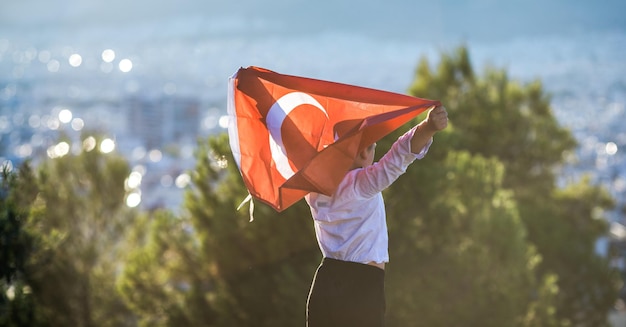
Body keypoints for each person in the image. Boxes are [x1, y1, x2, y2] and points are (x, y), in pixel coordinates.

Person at [305, 105, 449, 327]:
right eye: (372, 147)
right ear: (364, 152)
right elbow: (396, 160)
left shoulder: (313, 190)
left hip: (324, 283)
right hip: (360, 288)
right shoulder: (359, 185)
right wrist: (427, 127)